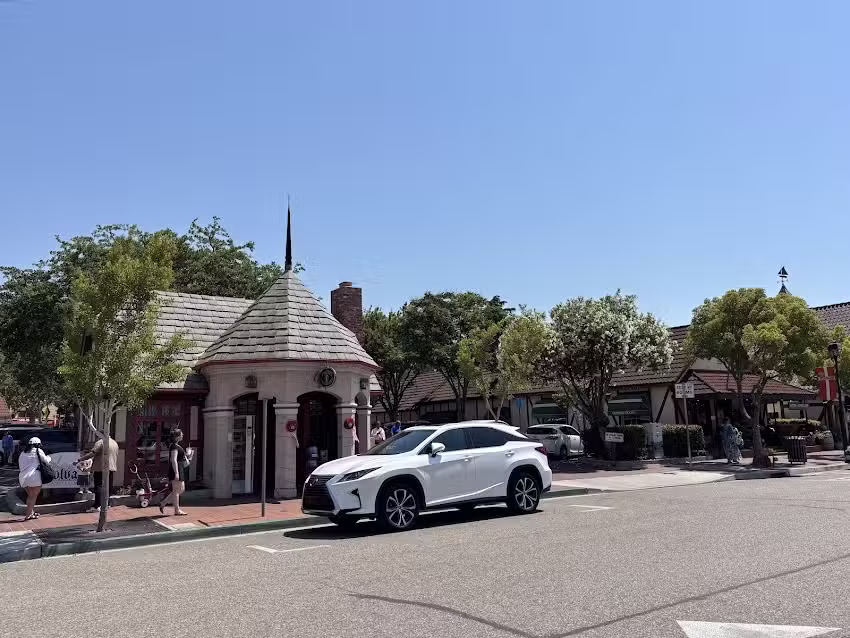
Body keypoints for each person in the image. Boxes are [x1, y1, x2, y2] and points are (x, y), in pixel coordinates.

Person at [77, 434, 119, 511]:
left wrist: (81, 459)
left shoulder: (101, 442)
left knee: (98, 486)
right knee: (108, 486)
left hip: (100, 467)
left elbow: (93, 453)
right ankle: (107, 504)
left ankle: (97, 505)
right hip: (112, 467)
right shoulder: (114, 443)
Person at [18, 437, 51, 521]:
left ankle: (31, 513)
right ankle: (28, 515)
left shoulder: (23, 453)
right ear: (37, 444)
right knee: (33, 496)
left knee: (30, 496)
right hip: (34, 477)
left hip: (23, 478)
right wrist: (49, 458)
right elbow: (46, 461)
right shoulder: (38, 451)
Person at [159, 428, 190, 516]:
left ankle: (163, 503)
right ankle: (177, 510)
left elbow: (181, 458)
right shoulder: (174, 447)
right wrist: (176, 473)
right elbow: (173, 459)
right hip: (176, 469)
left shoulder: (177, 446)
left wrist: (188, 454)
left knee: (181, 489)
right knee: (176, 491)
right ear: (177, 437)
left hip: (180, 469)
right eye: (181, 434)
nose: (182, 435)